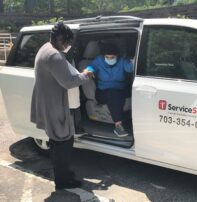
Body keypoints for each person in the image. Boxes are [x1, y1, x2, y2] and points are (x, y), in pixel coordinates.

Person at [30, 22, 93, 190]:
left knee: (57, 142)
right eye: (67, 43)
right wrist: (85, 75)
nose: (68, 46)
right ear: (61, 40)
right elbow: (68, 82)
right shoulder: (55, 56)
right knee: (63, 144)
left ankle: (62, 174)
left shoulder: (45, 48)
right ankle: (63, 181)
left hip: (50, 103)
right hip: (57, 106)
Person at [85, 43, 133, 137]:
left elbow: (129, 68)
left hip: (120, 90)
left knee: (123, 92)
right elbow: (91, 67)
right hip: (103, 92)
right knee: (113, 93)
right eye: (107, 57)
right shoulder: (99, 60)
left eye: (112, 57)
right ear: (103, 56)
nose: (110, 59)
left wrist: (134, 62)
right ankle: (118, 125)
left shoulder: (122, 60)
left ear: (117, 56)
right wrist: (88, 71)